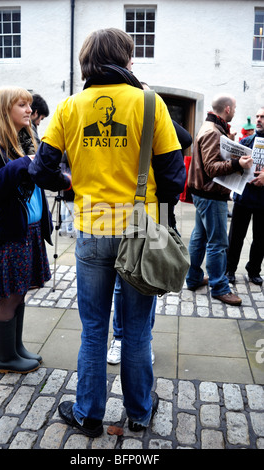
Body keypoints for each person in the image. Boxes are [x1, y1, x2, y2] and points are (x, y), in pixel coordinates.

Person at [29, 28, 186, 437]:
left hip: (93, 223)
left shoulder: (69, 107)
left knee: (95, 327)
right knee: (136, 330)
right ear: (125, 57)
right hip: (142, 223)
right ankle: (139, 412)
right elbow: (173, 176)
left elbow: (42, 169)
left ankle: (89, 413)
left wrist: (73, 186)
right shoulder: (151, 103)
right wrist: (163, 223)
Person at [0, 86, 54, 374]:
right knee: (9, 296)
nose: (29, 110)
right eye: (22, 105)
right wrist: (21, 164)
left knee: (20, 293)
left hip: (28, 229)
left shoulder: (25, 139)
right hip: (8, 234)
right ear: (6, 108)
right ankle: (5, 359)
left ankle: (16, 349)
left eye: (29, 105)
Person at [107, 102, 192, 365]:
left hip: (157, 212)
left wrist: (155, 109)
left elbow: (186, 138)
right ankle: (120, 338)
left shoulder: (152, 113)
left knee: (150, 274)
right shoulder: (121, 121)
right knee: (124, 282)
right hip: (118, 210)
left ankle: (142, 341)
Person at [186, 94, 253, 306]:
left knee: (199, 238)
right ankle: (219, 287)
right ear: (227, 108)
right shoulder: (212, 132)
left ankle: (194, 278)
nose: (234, 111)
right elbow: (212, 168)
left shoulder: (212, 128)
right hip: (211, 195)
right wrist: (238, 165)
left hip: (204, 193)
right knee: (218, 243)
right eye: (234, 108)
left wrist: (230, 141)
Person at [226, 106, 264, 285]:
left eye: (262, 117)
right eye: (257, 116)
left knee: (261, 239)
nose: (258, 119)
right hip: (244, 196)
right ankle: (230, 269)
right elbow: (232, 162)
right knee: (235, 237)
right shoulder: (247, 141)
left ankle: (254, 270)